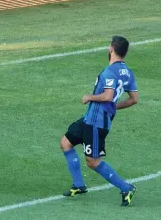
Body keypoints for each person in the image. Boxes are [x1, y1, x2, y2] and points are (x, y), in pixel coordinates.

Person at [60, 36, 139, 207]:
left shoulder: (109, 72)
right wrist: (112, 108)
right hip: (91, 118)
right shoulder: (128, 73)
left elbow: (108, 96)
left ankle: (126, 188)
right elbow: (134, 99)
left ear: (111, 49)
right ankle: (79, 185)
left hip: (97, 123)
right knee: (66, 142)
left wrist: (90, 97)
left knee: (92, 161)